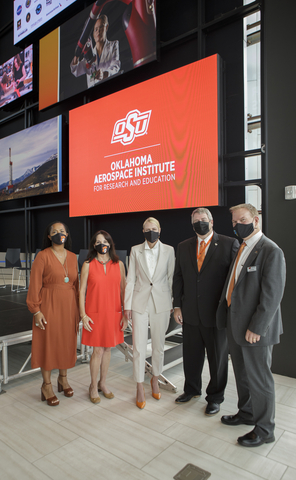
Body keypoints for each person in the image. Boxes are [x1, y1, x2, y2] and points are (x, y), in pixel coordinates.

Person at [217, 203, 286, 447]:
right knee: (243, 375)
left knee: (260, 380)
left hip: (254, 331)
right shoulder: (243, 247)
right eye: (234, 222)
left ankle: (265, 429)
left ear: (255, 220)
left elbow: (272, 296)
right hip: (236, 326)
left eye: (242, 220)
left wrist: (257, 327)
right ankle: (246, 413)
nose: (238, 225)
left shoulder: (270, 250)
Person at [173, 207, 239, 415]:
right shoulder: (183, 246)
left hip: (216, 315)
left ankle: (215, 397)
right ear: (192, 224)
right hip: (190, 313)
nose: (200, 222)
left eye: (203, 219)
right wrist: (177, 305)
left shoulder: (229, 244)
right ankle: (191, 389)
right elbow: (179, 277)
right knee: (191, 356)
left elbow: (234, 281)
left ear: (211, 222)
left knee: (217, 359)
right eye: (196, 220)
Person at [26, 222, 79, 406]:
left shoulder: (73, 257)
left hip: (69, 306)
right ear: (49, 237)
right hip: (48, 305)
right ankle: (46, 385)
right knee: (47, 344)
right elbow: (34, 285)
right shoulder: (42, 256)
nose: (59, 234)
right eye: (54, 232)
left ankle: (63, 379)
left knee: (65, 342)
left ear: (67, 234)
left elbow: (77, 285)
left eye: (62, 231)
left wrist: (79, 311)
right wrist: (36, 310)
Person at [124, 217, 175, 409]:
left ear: (160, 230)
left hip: (161, 302)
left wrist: (171, 302)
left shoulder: (169, 250)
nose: (150, 232)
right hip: (139, 301)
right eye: (147, 229)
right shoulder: (135, 250)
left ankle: (155, 378)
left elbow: (170, 278)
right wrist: (127, 306)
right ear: (143, 231)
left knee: (158, 345)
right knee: (138, 346)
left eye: (153, 229)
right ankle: (139, 385)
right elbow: (130, 279)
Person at [79, 230, 128, 403]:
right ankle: (92, 386)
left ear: (110, 244)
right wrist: (83, 315)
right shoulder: (88, 264)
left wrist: (125, 314)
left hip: (113, 312)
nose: (102, 244)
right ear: (94, 245)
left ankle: (103, 383)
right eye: (99, 242)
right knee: (97, 351)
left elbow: (124, 290)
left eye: (105, 241)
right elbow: (81, 290)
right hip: (94, 313)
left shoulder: (119, 264)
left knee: (108, 349)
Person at [70, 15, 120, 89]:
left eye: (101, 27)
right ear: (93, 34)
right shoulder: (89, 54)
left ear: (106, 27)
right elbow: (76, 70)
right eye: (96, 29)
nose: (98, 31)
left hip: (109, 89)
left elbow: (116, 67)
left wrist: (104, 74)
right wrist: (77, 54)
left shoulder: (113, 45)